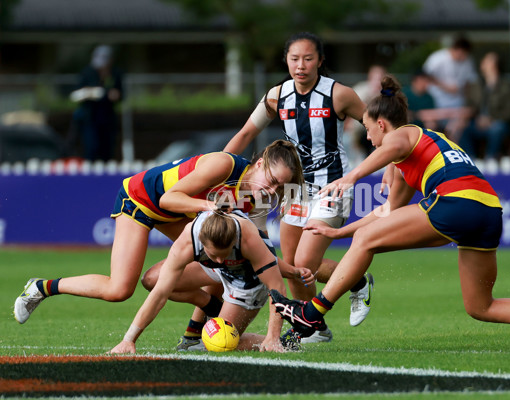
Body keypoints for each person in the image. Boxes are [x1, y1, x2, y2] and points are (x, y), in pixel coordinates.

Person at [270, 74, 510, 352]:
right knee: (480, 306)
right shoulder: (419, 151)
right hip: (489, 211)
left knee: (367, 239)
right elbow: (389, 211)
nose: (368, 138)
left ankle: (311, 313)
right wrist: (340, 233)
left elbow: (390, 148)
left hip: (458, 201)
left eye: (367, 130)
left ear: (381, 124)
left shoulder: (404, 133)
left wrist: (351, 177)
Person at [13, 140, 304, 324]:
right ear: (261, 163)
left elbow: (256, 251)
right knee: (119, 290)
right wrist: (209, 206)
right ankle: (41, 287)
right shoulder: (224, 165)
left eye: (280, 187)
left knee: (221, 252)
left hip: (180, 212)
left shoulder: (255, 197)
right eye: (273, 180)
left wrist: (291, 271)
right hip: (142, 199)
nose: (273, 190)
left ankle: (194, 335)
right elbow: (168, 199)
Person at [223, 32, 372, 344]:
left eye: (308, 58)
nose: (301, 65)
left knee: (304, 263)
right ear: (286, 60)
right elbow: (248, 130)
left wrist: (392, 160)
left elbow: (376, 125)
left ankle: (347, 288)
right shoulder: (278, 96)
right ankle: (318, 325)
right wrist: (222, 167)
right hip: (296, 189)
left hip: (334, 187)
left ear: (319, 60)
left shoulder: (339, 95)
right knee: (292, 267)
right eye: (294, 59)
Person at [110, 210, 313, 354]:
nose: (219, 260)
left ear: (234, 242)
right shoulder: (189, 240)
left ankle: (286, 343)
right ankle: (211, 305)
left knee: (220, 343)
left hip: (246, 280)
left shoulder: (248, 239)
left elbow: (276, 286)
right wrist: (129, 339)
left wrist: (273, 336)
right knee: (152, 280)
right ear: (202, 242)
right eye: (214, 255)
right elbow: (160, 293)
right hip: (215, 271)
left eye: (224, 254)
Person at [69, 45, 124, 161]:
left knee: (107, 149)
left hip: (107, 117)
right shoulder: (87, 73)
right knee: (91, 148)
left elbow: (121, 94)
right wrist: (91, 93)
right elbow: (75, 94)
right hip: (90, 117)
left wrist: (115, 95)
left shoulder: (115, 74)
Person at [459, 52, 510, 160]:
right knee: (463, 130)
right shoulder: (477, 84)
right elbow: (470, 106)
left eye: (487, 61)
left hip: (498, 122)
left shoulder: (506, 86)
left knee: (497, 129)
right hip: (478, 122)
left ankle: (490, 158)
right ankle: (470, 159)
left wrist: (491, 118)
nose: (483, 63)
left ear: (495, 64)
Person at [422, 35, 478, 139]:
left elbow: (470, 81)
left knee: (458, 126)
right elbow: (425, 75)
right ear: (455, 49)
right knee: (431, 125)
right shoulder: (438, 58)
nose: (462, 58)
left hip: (457, 102)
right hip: (437, 100)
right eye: (461, 54)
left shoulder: (468, 61)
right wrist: (445, 86)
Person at [348, 65, 388, 165]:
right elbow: (352, 108)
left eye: (380, 78)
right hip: (361, 126)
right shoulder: (361, 89)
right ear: (370, 78)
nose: (378, 82)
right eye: (376, 78)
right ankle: (358, 158)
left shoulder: (388, 92)